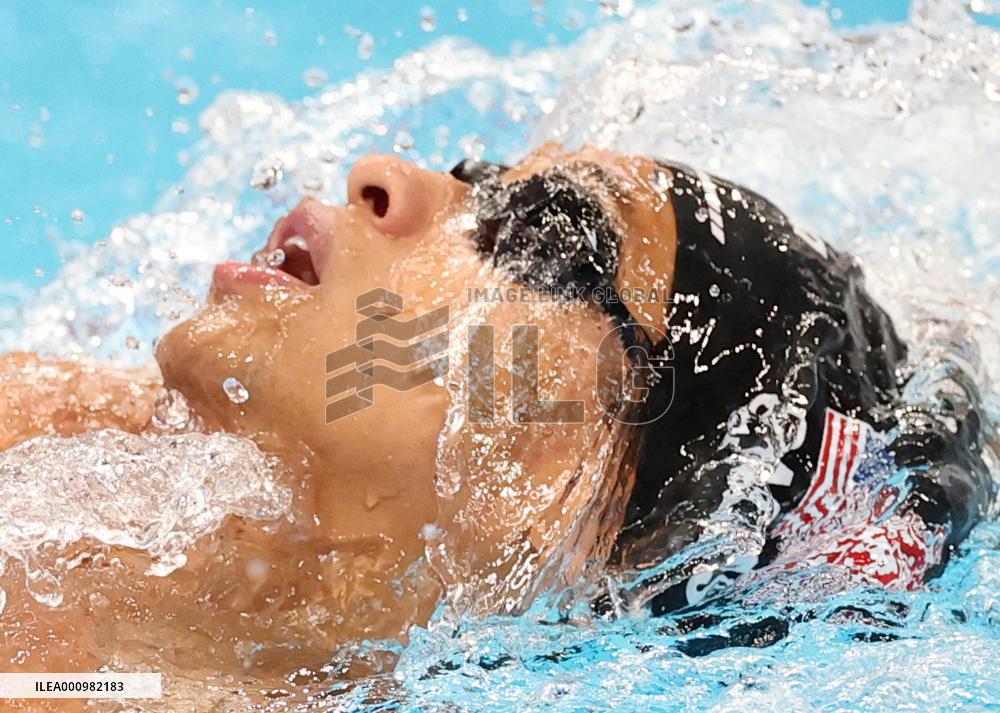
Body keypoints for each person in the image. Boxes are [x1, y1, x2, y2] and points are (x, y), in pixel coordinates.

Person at [0, 143, 994, 686]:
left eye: (545, 237)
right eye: (481, 180)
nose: (382, 174)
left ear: (570, 507)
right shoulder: (83, 446)